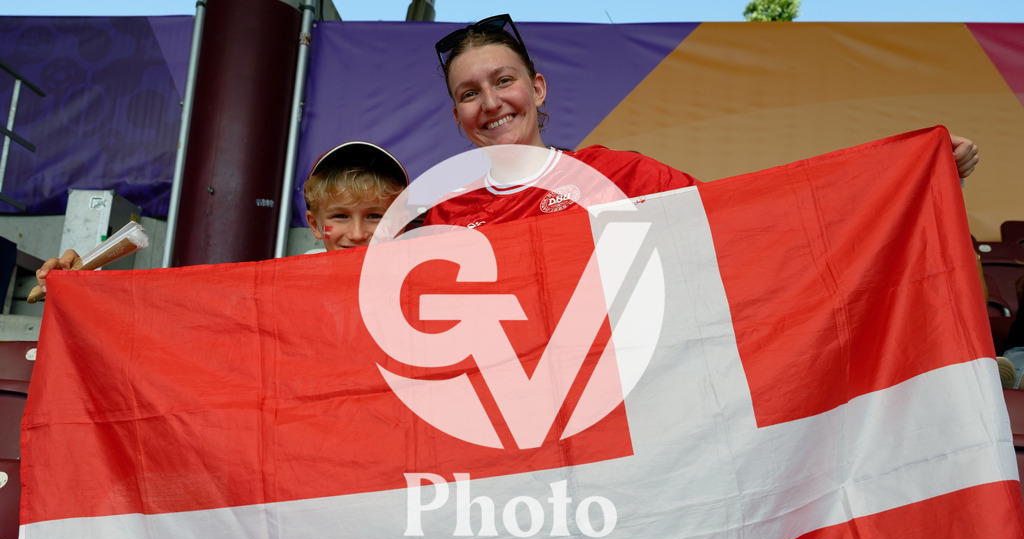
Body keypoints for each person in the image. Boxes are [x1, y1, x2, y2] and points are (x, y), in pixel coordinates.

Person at [423, 14, 978, 229]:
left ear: (537, 88)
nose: (490, 103)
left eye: (504, 81)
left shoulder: (620, 176)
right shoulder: (441, 217)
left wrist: (909, 174)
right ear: (457, 116)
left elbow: (758, 214)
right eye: (469, 93)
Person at [34, 141, 409, 295]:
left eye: (376, 216)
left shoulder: (419, 281)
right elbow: (180, 310)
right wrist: (79, 290)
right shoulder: (283, 284)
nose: (358, 233)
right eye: (340, 216)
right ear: (313, 224)